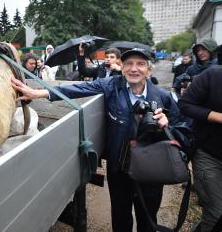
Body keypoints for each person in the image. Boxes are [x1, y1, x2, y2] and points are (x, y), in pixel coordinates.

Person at [12, 48, 188, 232]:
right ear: (121, 66)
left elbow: (184, 130)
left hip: (151, 170)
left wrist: (166, 125)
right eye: (128, 63)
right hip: (119, 169)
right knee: (120, 218)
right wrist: (37, 93)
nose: (134, 69)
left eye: (140, 64)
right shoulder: (111, 85)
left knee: (148, 218)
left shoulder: (163, 97)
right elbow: (77, 88)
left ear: (149, 71)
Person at [178, 64, 222, 232]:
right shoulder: (213, 74)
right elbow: (185, 104)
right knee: (216, 212)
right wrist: (218, 117)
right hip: (209, 155)